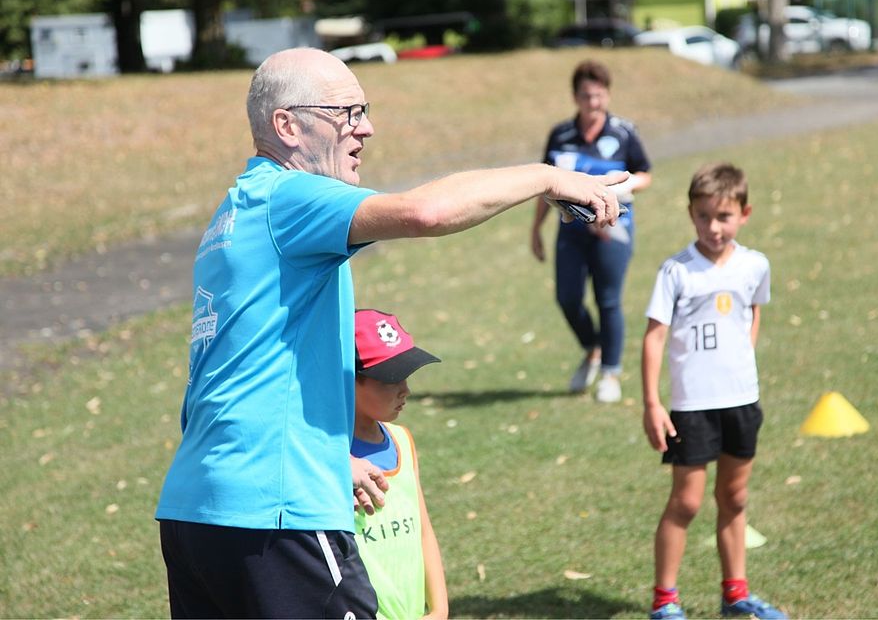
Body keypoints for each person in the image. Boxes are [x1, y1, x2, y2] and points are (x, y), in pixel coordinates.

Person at [155, 47, 626, 619]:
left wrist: (325, 456)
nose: (366, 128)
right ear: (288, 126)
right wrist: (547, 175)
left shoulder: (236, 211)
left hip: (198, 511)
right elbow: (424, 213)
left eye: (364, 110)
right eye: (346, 113)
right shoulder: (290, 196)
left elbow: (237, 373)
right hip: (273, 516)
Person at [640, 163, 785, 620]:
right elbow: (654, 336)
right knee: (686, 502)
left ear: (744, 214)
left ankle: (735, 595)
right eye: (703, 216)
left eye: (723, 217)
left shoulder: (755, 265)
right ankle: (665, 602)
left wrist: (742, 361)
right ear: (691, 214)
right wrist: (651, 403)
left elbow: (752, 315)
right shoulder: (676, 271)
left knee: (735, 498)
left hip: (741, 401)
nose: (713, 227)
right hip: (691, 407)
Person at [531, 59, 652, 404]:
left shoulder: (624, 133)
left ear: (607, 95)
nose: (593, 103)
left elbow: (645, 173)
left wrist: (624, 188)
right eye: (586, 96)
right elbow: (545, 183)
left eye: (599, 95)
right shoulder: (560, 135)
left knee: (608, 300)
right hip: (570, 231)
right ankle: (592, 350)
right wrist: (536, 229)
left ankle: (611, 373)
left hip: (613, 229)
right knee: (567, 298)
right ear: (575, 97)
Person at [351, 309, 447, 620]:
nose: (405, 389)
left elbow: (423, 531)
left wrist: (439, 609)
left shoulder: (402, 440)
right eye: (390, 379)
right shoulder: (327, 458)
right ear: (348, 380)